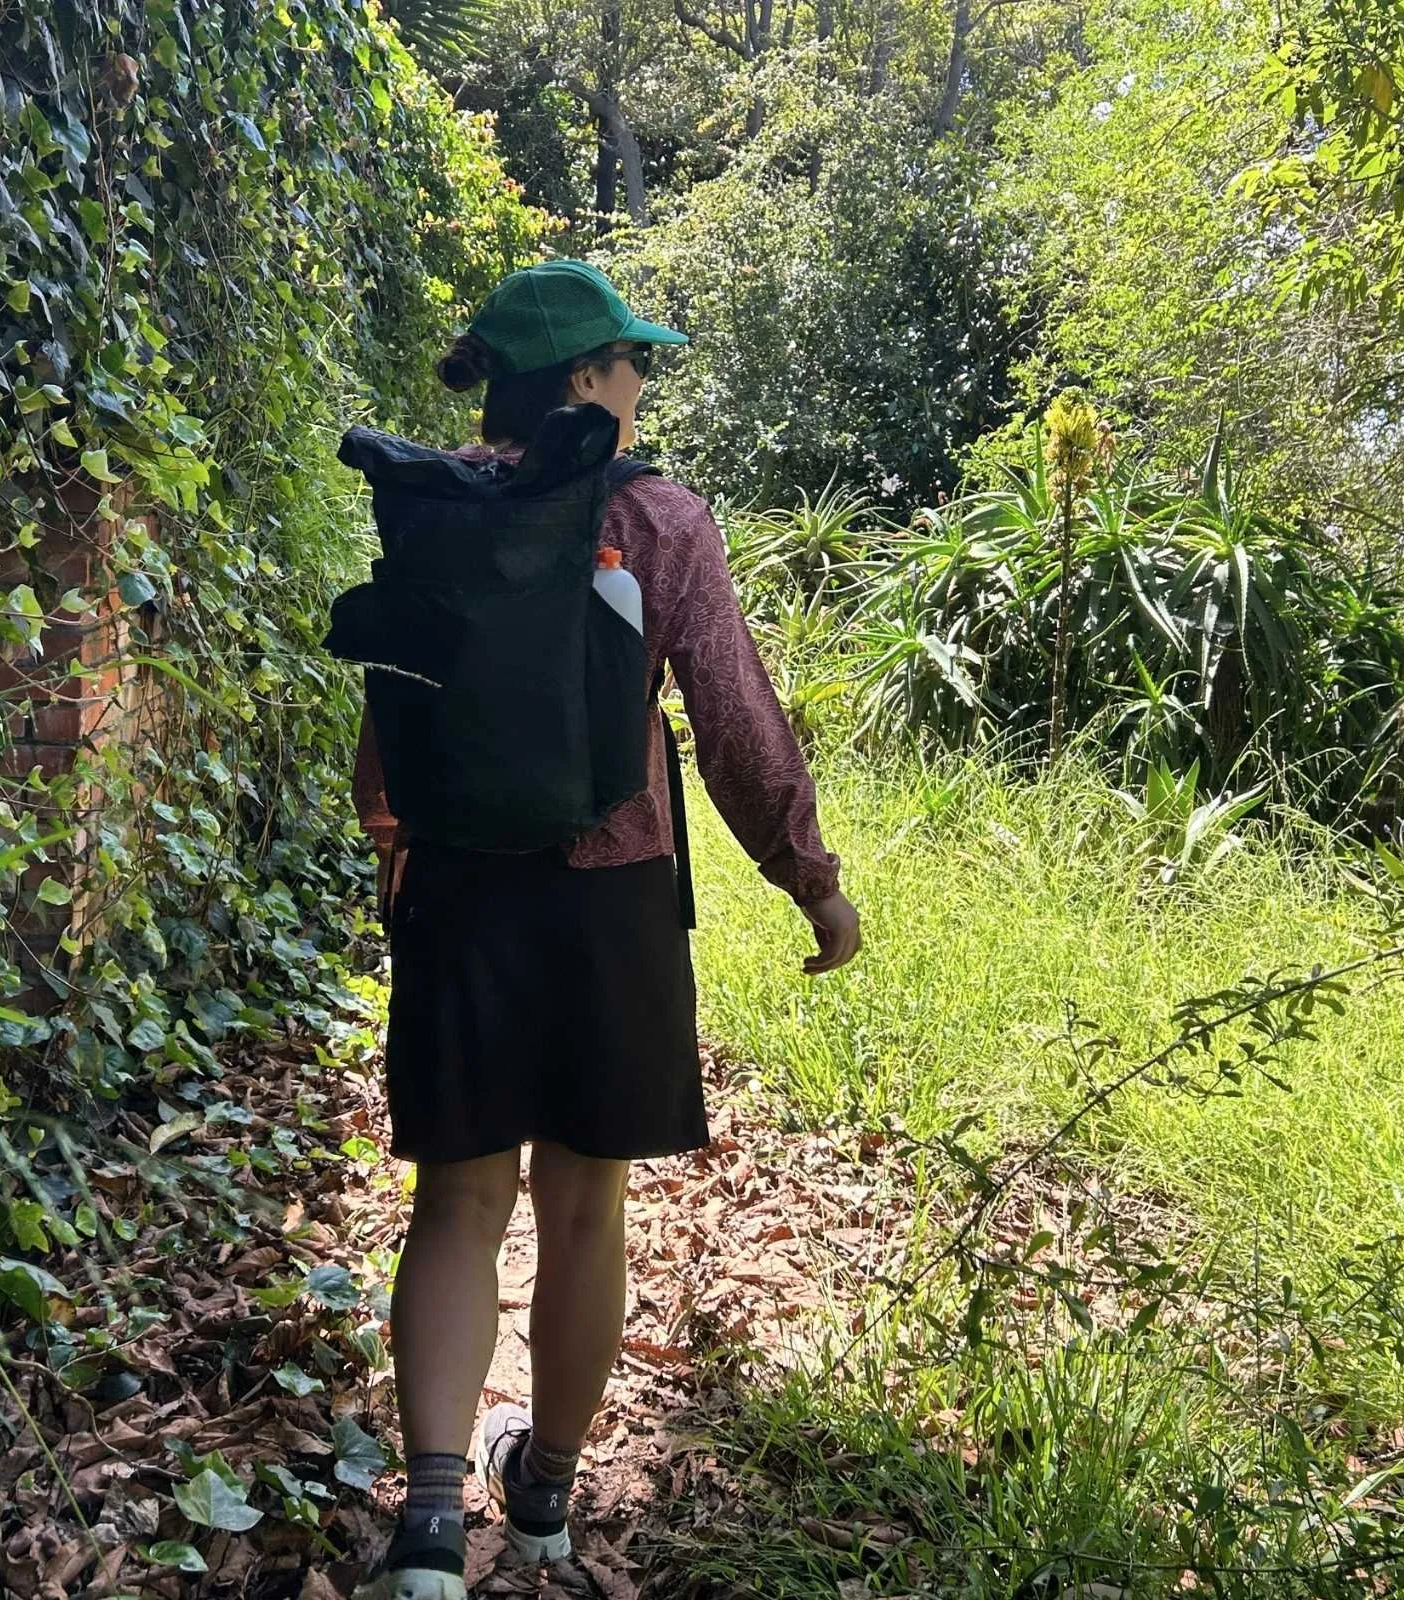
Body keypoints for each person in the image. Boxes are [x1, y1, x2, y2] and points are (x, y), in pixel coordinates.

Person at [351, 259, 861, 1600]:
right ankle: (546, 1496)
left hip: (464, 890)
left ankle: (422, 1524)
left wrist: (398, 839)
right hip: (612, 898)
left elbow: (392, 707)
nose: (641, 383)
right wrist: (809, 877)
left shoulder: (438, 503)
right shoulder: (663, 520)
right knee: (586, 1210)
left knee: (458, 1205)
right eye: (629, 362)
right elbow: (737, 721)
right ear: (584, 378)